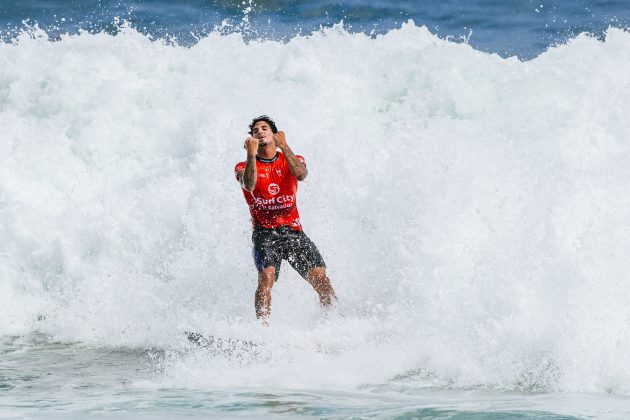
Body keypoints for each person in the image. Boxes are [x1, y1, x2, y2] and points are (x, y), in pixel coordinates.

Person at [234, 115, 337, 321]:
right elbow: (249, 185)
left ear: (274, 134)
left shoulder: (291, 158)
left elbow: (301, 174)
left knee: (321, 280)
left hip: (293, 231)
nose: (260, 132)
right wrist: (251, 156)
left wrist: (285, 146)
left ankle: (334, 321)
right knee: (265, 280)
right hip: (265, 233)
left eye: (265, 128)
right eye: (255, 130)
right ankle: (262, 330)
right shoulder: (242, 166)